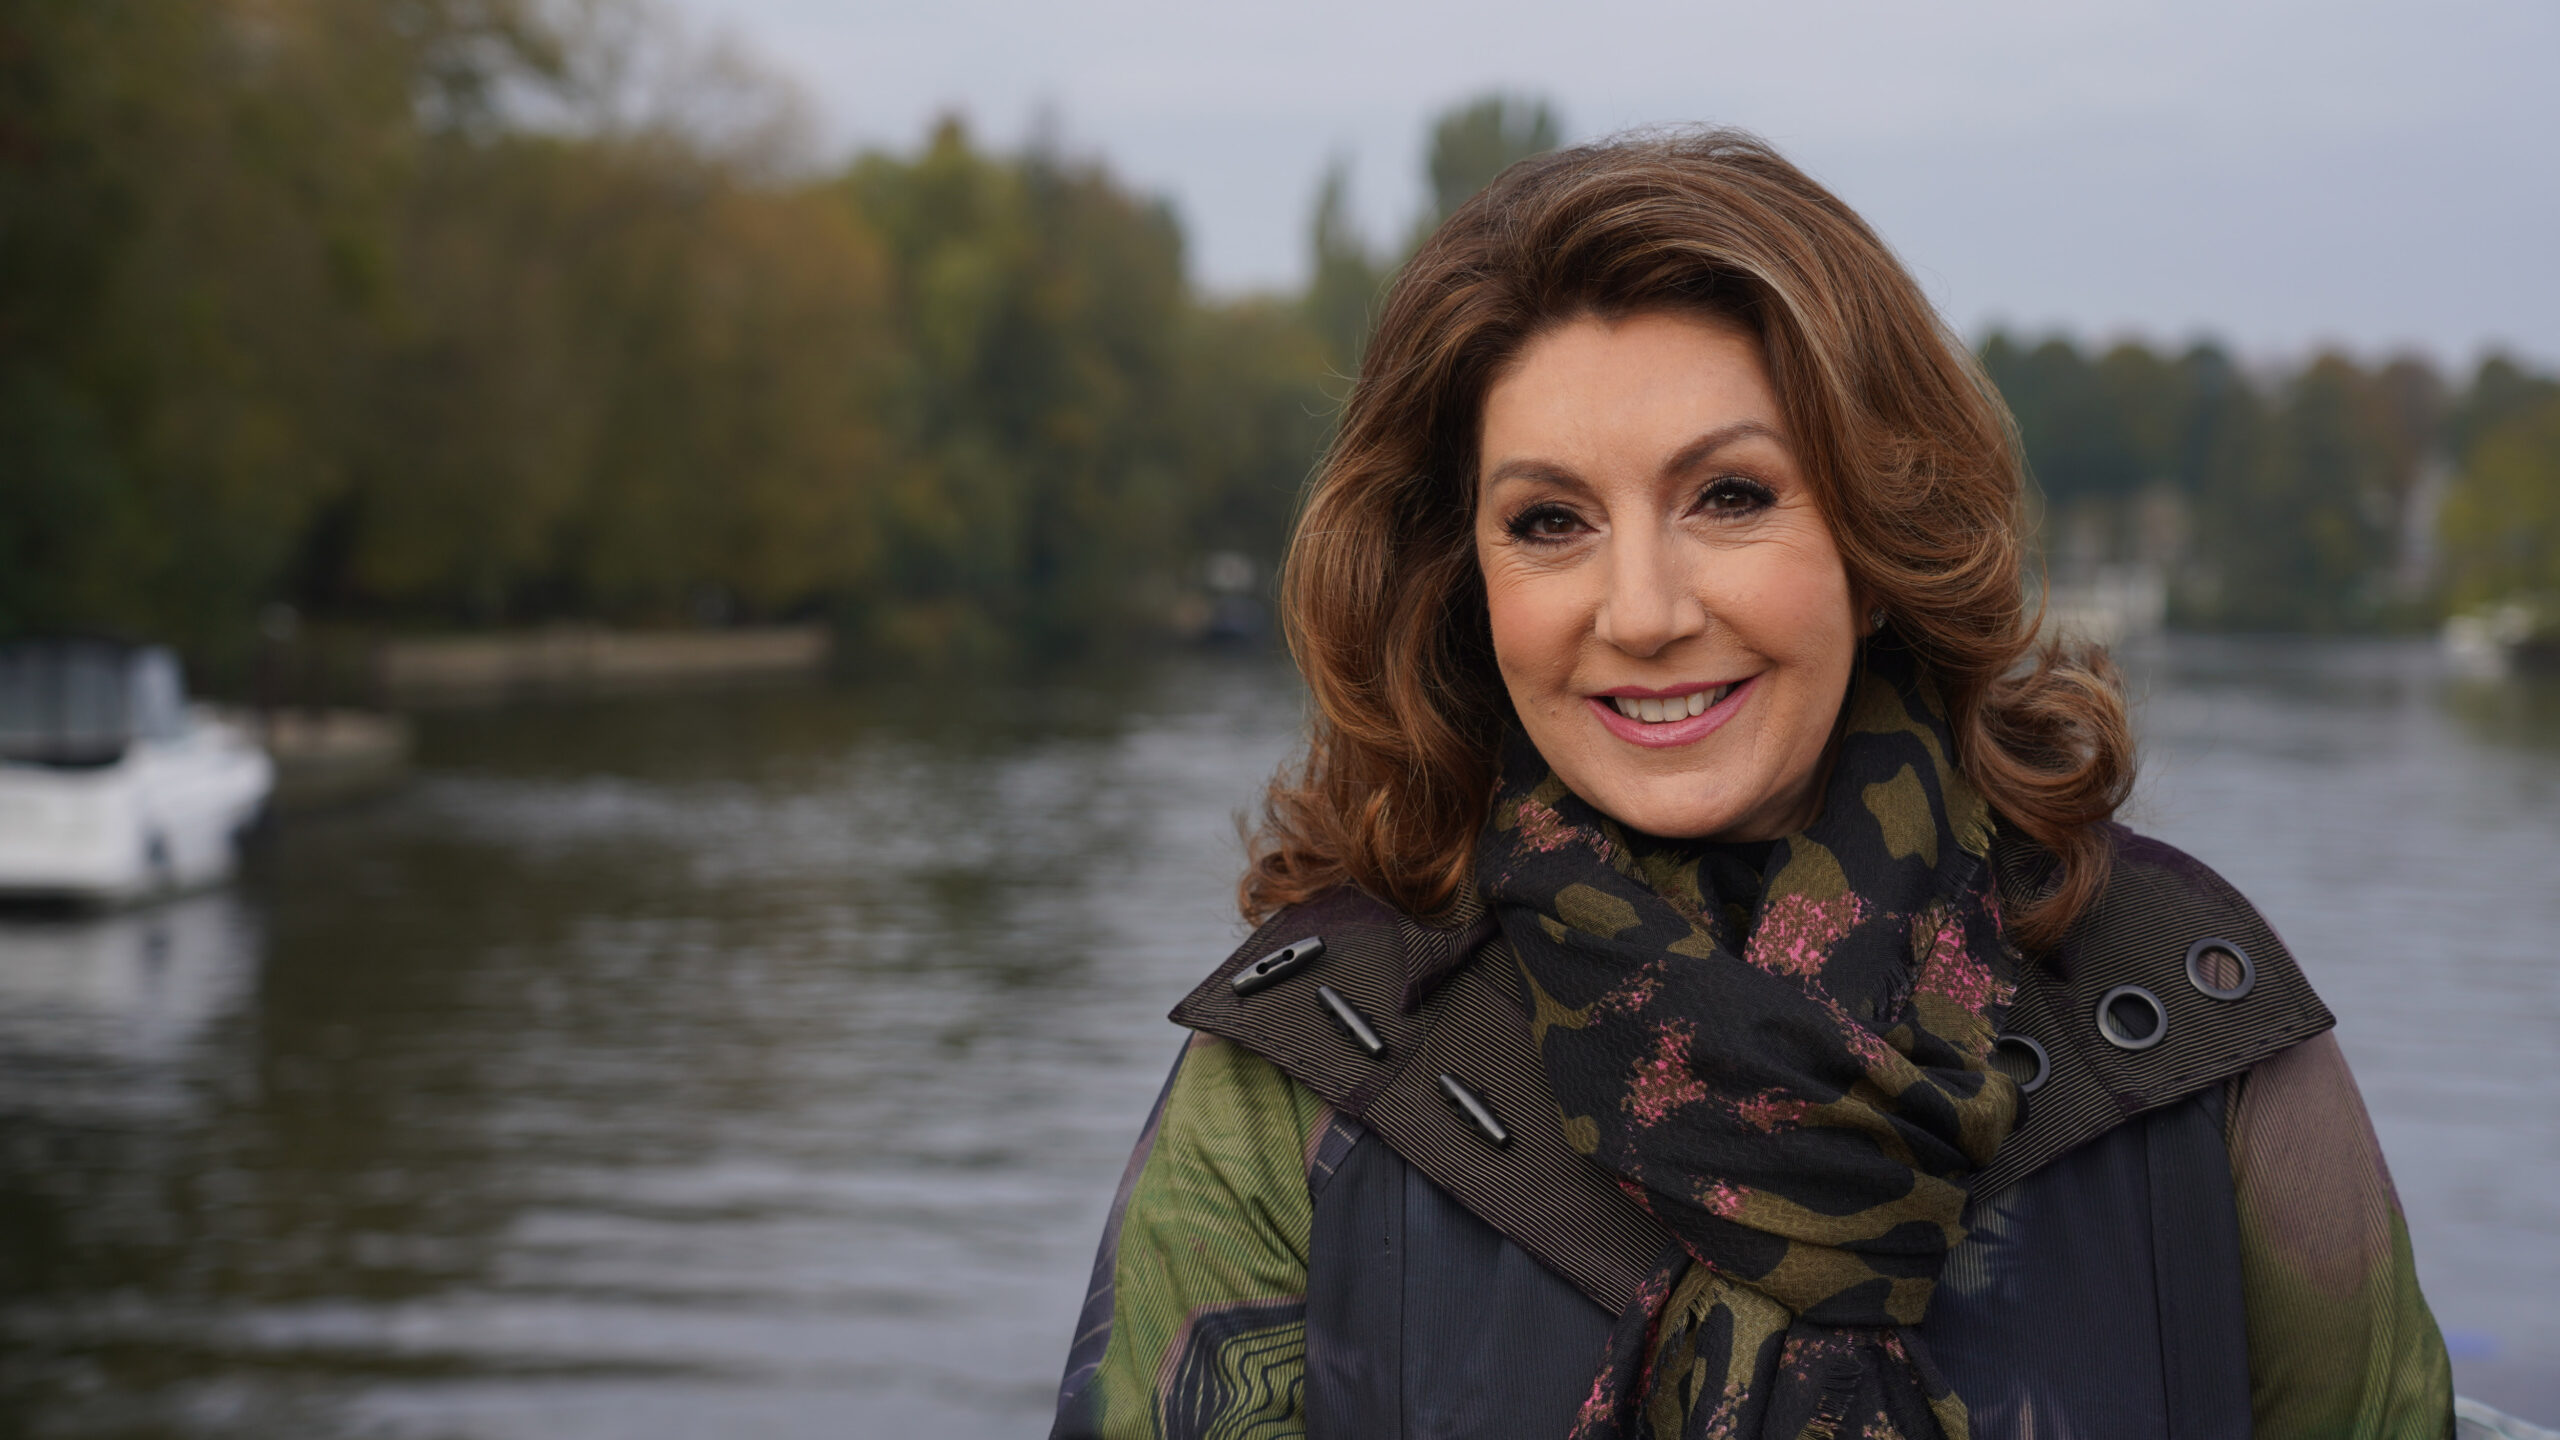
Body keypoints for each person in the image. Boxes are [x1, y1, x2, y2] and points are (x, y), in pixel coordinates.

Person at [1048, 131, 2457, 1440]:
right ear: (1462, 580)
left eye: (1729, 496)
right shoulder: (1306, 1073)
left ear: (1879, 529)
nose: (1644, 611)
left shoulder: (2186, 1019)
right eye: (1550, 521)